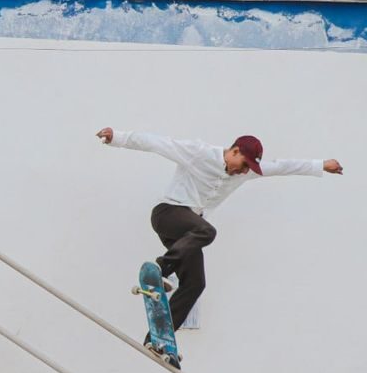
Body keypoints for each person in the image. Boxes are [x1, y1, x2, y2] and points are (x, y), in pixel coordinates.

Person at [96, 128, 343, 352]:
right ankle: (161, 267)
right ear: (234, 151)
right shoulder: (199, 153)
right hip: (168, 214)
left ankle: (158, 339)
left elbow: (282, 166)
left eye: (248, 169)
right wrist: (117, 137)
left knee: (196, 283)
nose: (243, 172)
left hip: (187, 234)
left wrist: (321, 165)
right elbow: (156, 143)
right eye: (243, 165)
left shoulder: (245, 172)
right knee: (208, 231)